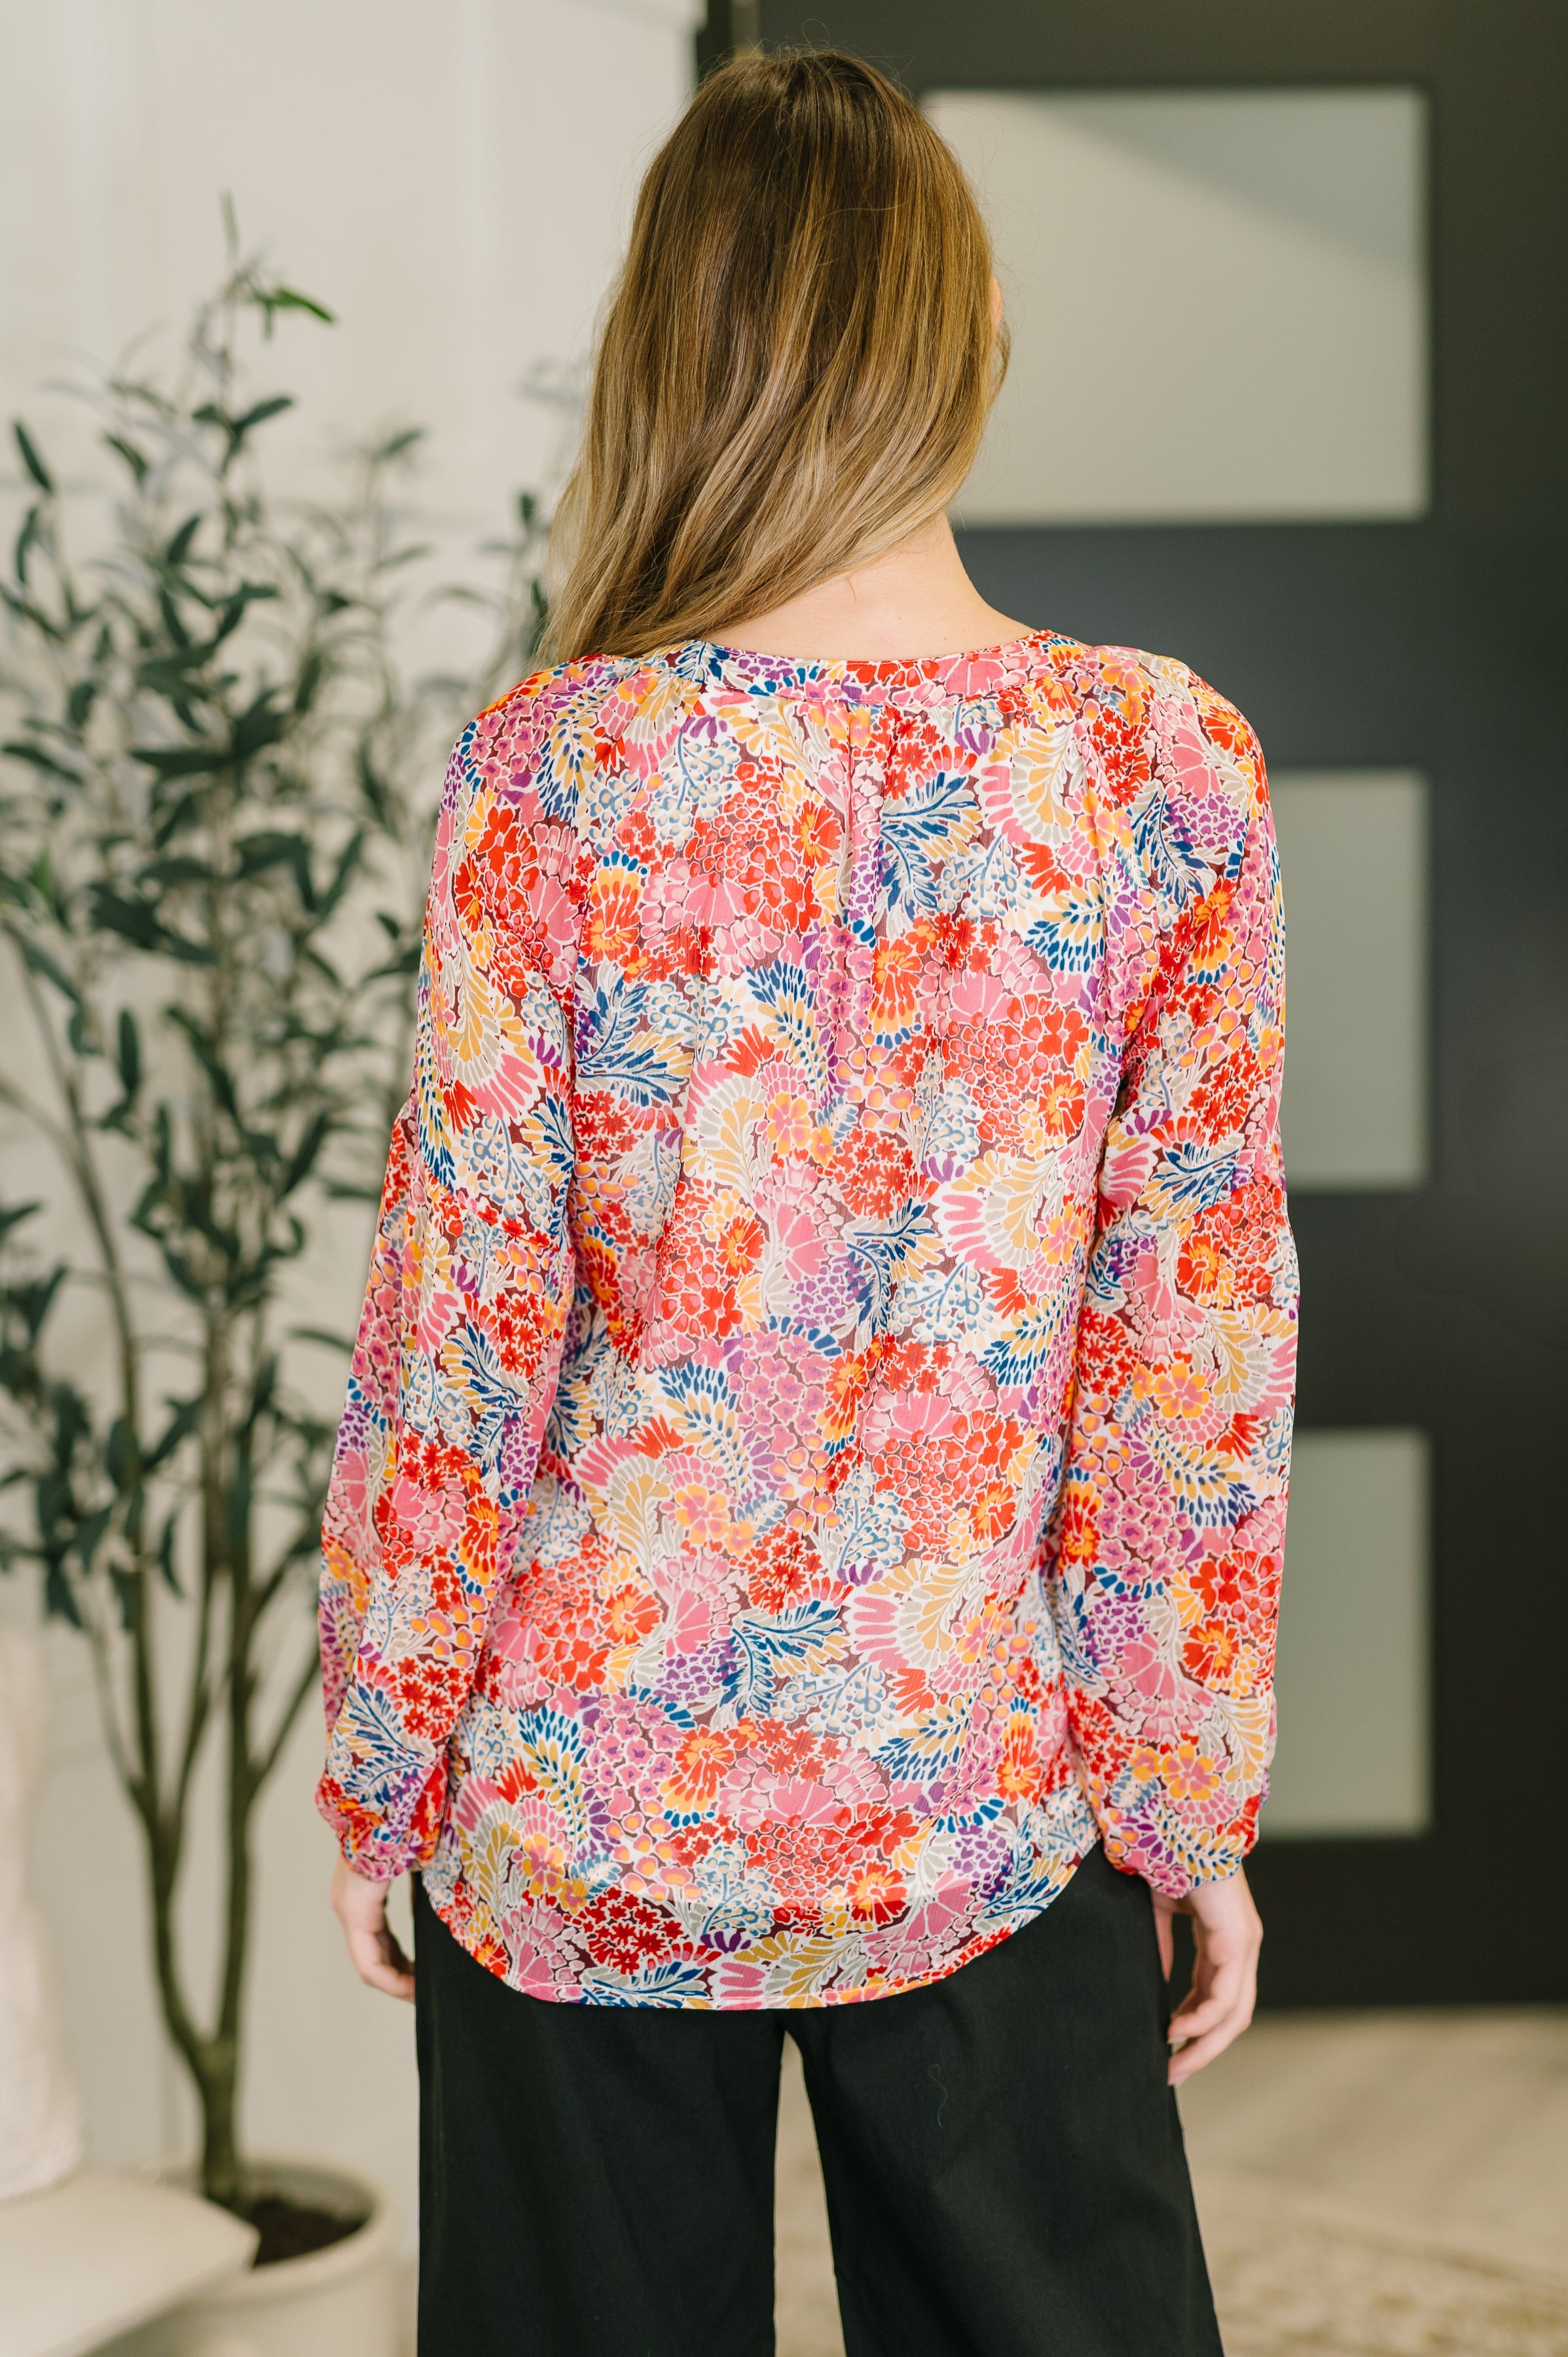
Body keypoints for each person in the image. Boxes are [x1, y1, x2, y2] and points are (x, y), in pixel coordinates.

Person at [318, 47, 1294, 2357]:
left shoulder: (555, 773)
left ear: (677, 351)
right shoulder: (1160, 763)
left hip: (579, 1773)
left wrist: (385, 1759)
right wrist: (1188, 1805)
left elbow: (456, 1332)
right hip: (988, 1774)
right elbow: (1193, 1342)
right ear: (964, 348)